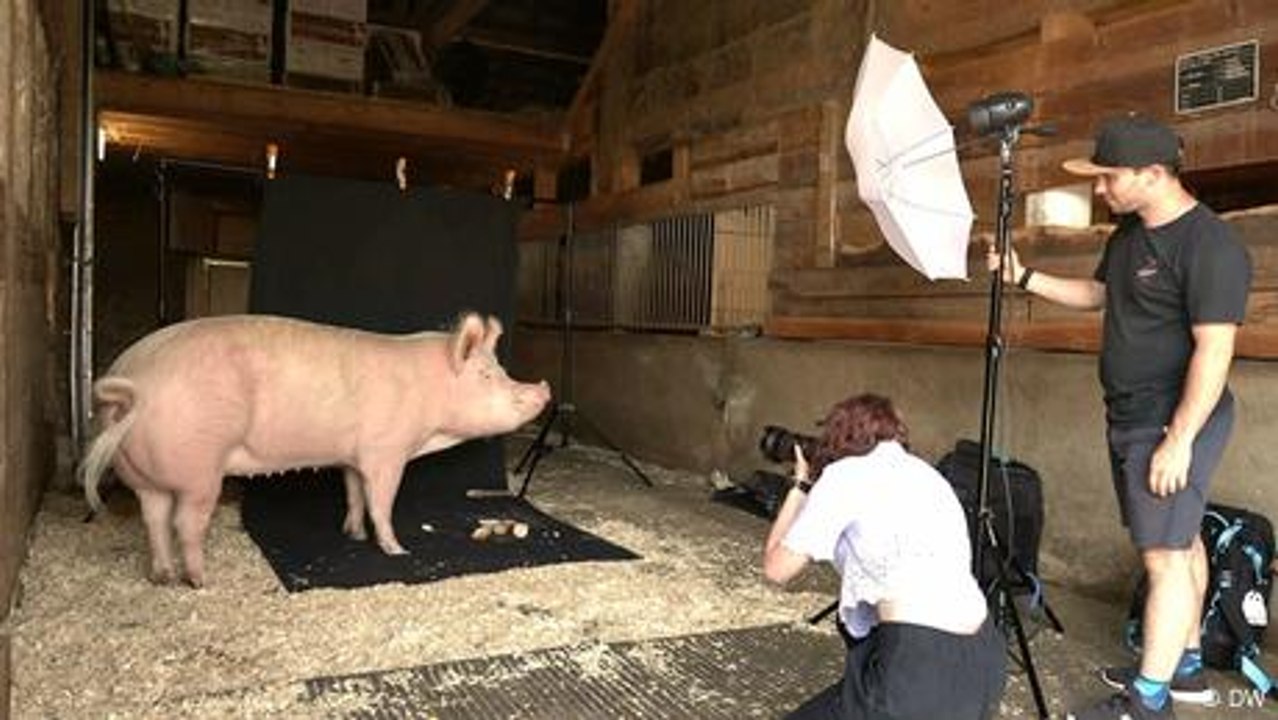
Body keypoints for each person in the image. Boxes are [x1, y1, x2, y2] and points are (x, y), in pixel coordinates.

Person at [988, 115, 1252, 720]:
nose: (1100, 187)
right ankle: (1183, 668)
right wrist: (1022, 275)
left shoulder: (1210, 245)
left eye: (1109, 177)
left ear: (1153, 174)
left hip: (1172, 421)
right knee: (1180, 542)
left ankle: (1148, 701)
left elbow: (1214, 350)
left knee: (1162, 557)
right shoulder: (1129, 237)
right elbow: (1098, 296)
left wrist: (1178, 439)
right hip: (1132, 415)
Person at [762, 393, 1006, 720]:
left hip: (918, 666)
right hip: (985, 661)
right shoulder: (928, 475)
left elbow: (776, 568)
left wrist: (801, 484)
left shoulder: (845, 475)